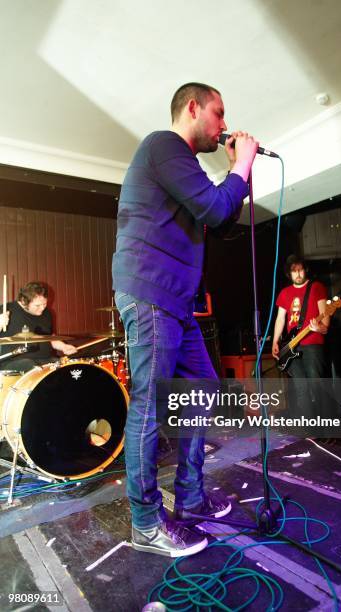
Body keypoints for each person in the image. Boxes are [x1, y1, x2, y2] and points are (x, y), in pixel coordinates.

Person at [112, 82, 258, 557]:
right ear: (192, 108)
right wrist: (240, 165)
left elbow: (223, 217)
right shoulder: (163, 146)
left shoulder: (185, 168)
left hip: (176, 302)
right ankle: (146, 522)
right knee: (151, 405)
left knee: (203, 386)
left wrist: (242, 171)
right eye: (218, 114)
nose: (223, 125)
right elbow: (217, 209)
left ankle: (191, 496)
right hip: (150, 293)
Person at [272, 255, 330, 419]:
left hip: (312, 344)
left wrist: (318, 327)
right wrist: (275, 341)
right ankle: (311, 430)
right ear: (289, 273)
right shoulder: (285, 293)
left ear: (305, 270)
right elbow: (280, 319)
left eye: (300, 269)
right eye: (293, 271)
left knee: (316, 386)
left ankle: (325, 429)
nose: (297, 273)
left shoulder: (317, 287)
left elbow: (325, 322)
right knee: (301, 389)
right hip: (292, 346)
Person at [0, 281, 77, 371]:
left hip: (45, 360)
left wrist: (63, 346)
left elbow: (48, 337)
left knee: (67, 367)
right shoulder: (6, 309)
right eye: (37, 305)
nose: (42, 308)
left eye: (44, 304)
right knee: (30, 365)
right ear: (24, 301)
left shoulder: (47, 313)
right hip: (13, 362)